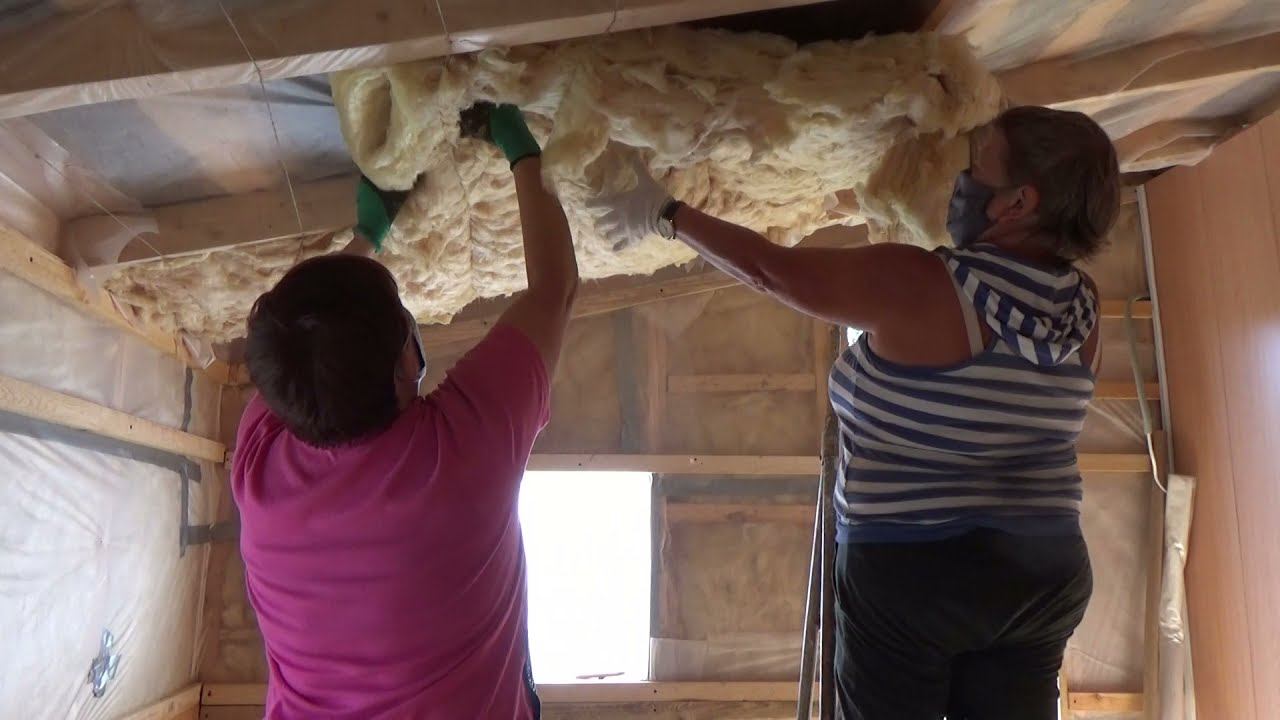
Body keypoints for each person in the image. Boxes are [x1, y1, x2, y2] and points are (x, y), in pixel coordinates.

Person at [590, 105, 1119, 719]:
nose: (963, 180)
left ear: (1018, 203)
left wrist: (663, 214)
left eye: (979, 166)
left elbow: (772, 272)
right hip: (1043, 572)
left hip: (918, 567)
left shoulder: (924, 284)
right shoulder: (1083, 310)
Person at [232, 104, 577, 719]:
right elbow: (554, 288)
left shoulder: (266, 456)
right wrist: (523, 151)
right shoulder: (460, 454)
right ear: (403, 366)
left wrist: (365, 241)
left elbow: (304, 346)